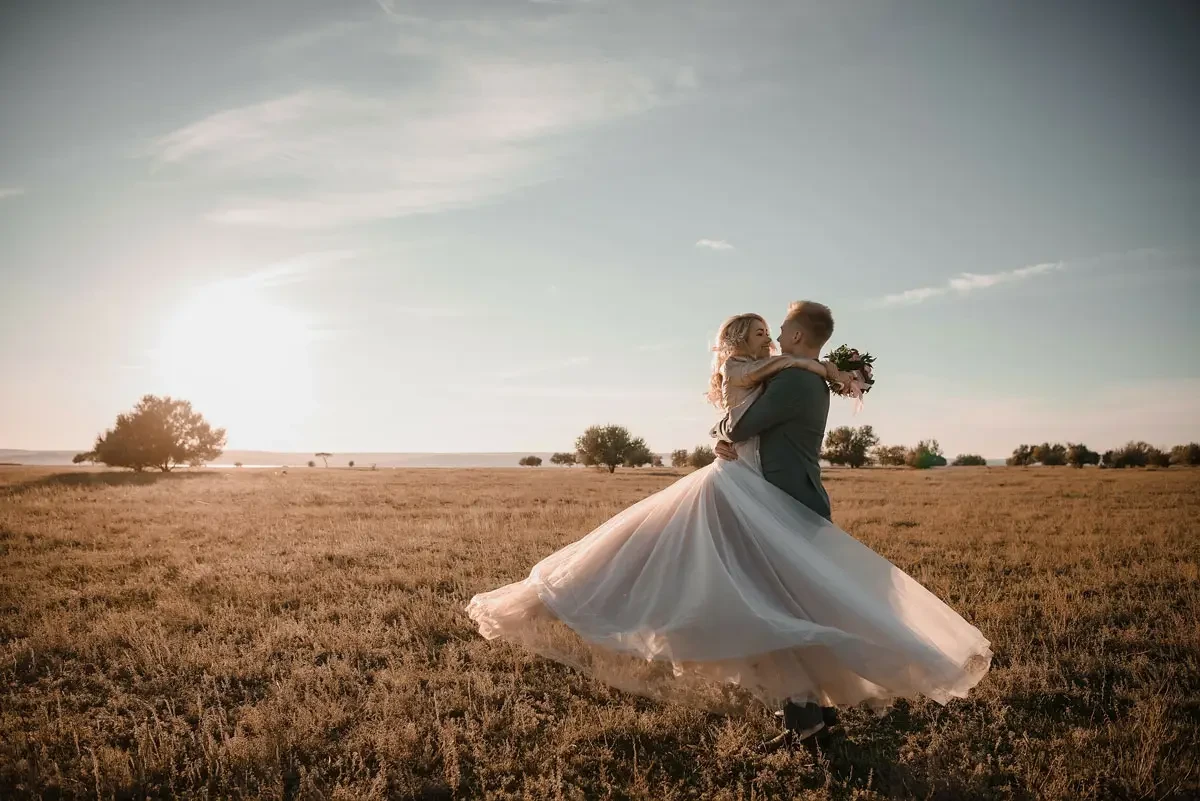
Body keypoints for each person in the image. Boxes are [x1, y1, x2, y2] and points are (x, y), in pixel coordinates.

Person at [466, 303, 991, 747]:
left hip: (763, 499)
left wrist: (721, 431)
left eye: (781, 330)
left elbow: (738, 426)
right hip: (775, 493)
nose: (776, 337)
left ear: (799, 335)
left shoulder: (791, 379)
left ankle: (809, 712)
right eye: (768, 332)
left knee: (762, 600)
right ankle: (810, 711)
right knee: (779, 601)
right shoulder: (804, 378)